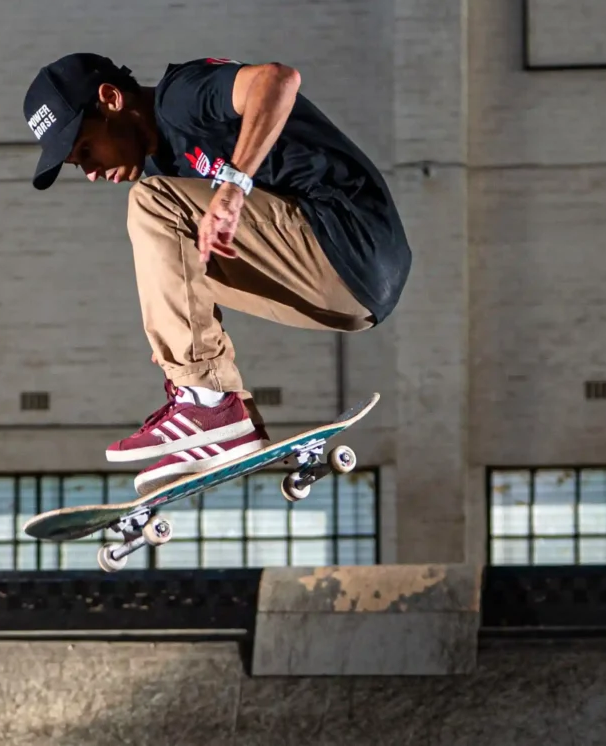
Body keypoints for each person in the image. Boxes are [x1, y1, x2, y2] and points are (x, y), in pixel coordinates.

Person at [23, 52, 410, 495]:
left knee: (152, 203)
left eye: (86, 150)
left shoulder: (182, 97)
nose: (91, 173)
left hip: (350, 237)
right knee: (171, 261)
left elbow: (279, 80)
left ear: (110, 99)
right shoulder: (163, 171)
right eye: (79, 166)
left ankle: (208, 401)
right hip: (344, 297)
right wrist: (177, 337)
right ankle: (221, 418)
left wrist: (234, 184)